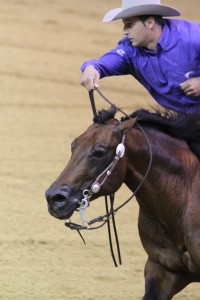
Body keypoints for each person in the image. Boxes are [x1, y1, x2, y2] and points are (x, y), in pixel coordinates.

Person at [80, 0, 200, 113]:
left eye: (129, 24)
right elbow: (103, 64)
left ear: (149, 23)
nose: (124, 32)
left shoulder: (192, 36)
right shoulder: (129, 50)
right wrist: (91, 68)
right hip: (182, 123)